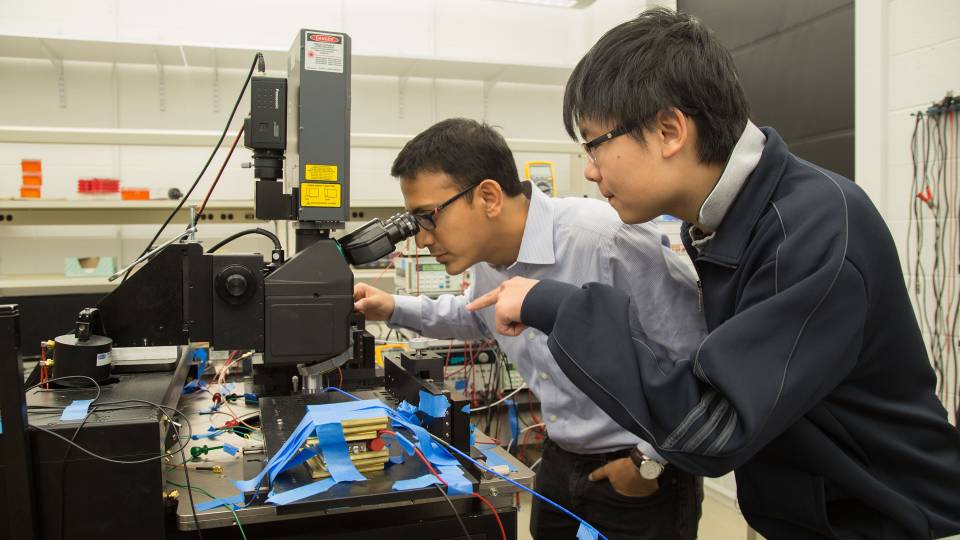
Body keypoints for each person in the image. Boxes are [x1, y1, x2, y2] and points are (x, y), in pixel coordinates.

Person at [468, 8, 960, 540]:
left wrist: (559, 305)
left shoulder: (812, 227)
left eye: (594, 143)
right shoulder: (721, 225)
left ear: (669, 129)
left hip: (898, 522)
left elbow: (711, 427)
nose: (590, 169)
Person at [354, 117, 706, 539]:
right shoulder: (488, 257)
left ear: (487, 196)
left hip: (638, 470)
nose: (422, 240)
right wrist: (390, 306)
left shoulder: (603, 239)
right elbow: (476, 314)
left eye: (427, 218)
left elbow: (695, 349)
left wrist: (647, 463)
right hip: (560, 461)